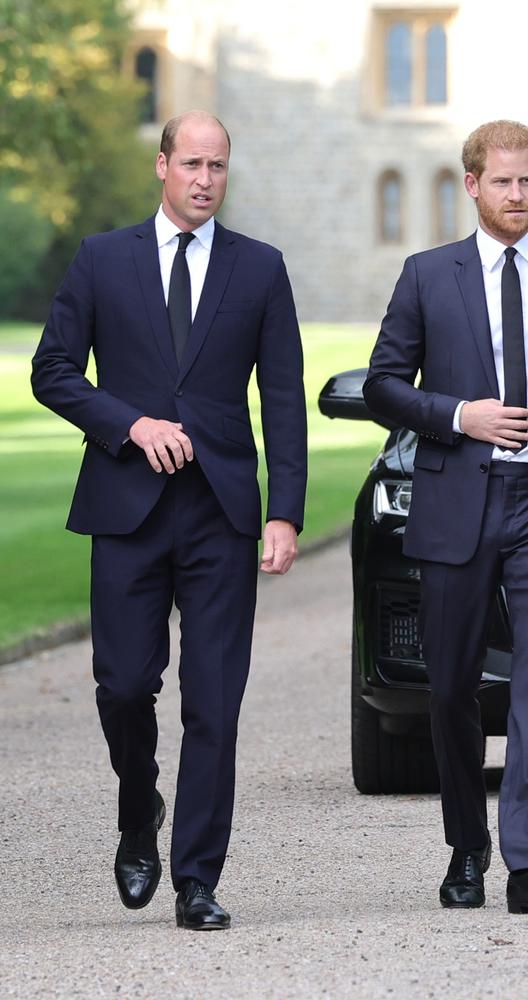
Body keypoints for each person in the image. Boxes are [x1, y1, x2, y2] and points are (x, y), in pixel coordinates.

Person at [31, 110, 307, 930]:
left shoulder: (260, 269)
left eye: (218, 166)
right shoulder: (102, 259)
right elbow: (52, 371)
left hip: (221, 512)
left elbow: (284, 402)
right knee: (122, 687)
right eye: (191, 163)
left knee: (214, 703)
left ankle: (197, 879)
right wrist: (129, 424)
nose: (205, 180)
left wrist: (284, 513)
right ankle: (137, 807)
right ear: (161, 166)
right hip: (127, 507)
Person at [363, 120, 528, 916]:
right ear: (472, 185)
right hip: (456, 504)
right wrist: (459, 415)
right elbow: (384, 384)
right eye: (502, 182)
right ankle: (466, 845)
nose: (517, 195)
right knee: (450, 687)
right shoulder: (426, 275)